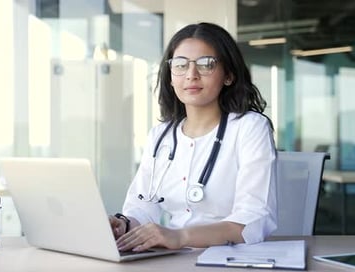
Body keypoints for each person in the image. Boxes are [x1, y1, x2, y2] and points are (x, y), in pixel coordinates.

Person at [109, 22, 277, 252]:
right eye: (180, 65)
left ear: (228, 75)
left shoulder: (249, 128)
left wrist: (180, 236)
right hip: (173, 259)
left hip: (232, 261)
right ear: (171, 76)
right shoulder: (161, 136)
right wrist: (124, 225)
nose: (191, 75)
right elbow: (143, 207)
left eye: (206, 64)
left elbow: (252, 221)